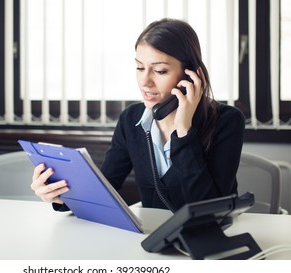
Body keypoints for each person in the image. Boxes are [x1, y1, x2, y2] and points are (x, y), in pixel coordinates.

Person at [31, 18, 245, 212]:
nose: (144, 81)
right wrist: (61, 195)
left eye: (160, 71)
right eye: (139, 67)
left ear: (190, 76)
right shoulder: (131, 119)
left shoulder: (227, 121)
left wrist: (183, 130)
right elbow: (106, 187)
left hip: (211, 242)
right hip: (154, 241)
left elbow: (211, 207)